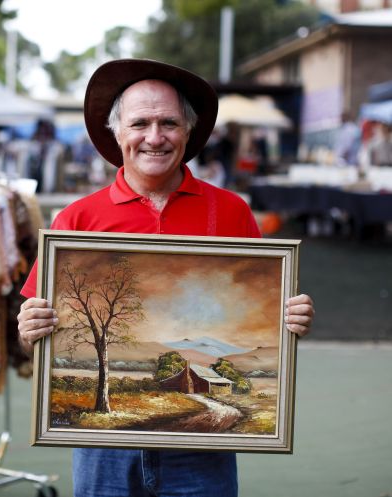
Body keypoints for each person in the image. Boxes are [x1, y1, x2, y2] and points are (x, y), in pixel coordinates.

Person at [16, 59, 315, 497]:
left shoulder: (230, 212)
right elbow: (40, 339)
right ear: (116, 132)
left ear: (188, 131)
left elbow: (268, 308)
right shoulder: (77, 219)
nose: (154, 137)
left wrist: (289, 320)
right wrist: (31, 329)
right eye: (140, 123)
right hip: (104, 452)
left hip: (204, 451)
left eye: (168, 123)